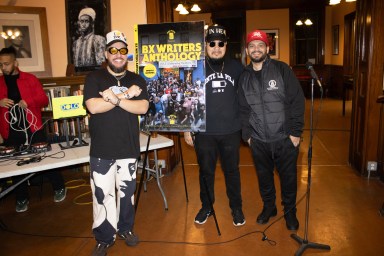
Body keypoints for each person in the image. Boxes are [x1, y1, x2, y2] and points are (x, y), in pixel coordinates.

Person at [83, 30, 149, 256]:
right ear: (106, 53)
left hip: (128, 149)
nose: (118, 54)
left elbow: (143, 108)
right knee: (102, 195)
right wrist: (126, 96)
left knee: (126, 194)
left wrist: (113, 98)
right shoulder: (94, 78)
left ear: (127, 54)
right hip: (101, 150)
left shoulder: (137, 79)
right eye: (113, 50)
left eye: (122, 50)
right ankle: (104, 236)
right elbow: (93, 107)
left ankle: (125, 229)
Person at [238, 30, 305, 231]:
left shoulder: (282, 69)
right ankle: (269, 207)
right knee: (264, 178)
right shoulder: (244, 77)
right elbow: (242, 110)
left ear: (268, 48)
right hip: (258, 140)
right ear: (247, 50)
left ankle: (290, 211)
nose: (256, 49)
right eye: (252, 46)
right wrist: (247, 136)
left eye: (260, 45)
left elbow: (297, 101)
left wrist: (295, 133)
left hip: (284, 138)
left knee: (289, 179)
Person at [184, 25, 245, 226]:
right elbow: (188, 97)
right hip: (204, 131)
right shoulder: (196, 67)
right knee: (205, 172)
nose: (216, 47)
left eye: (220, 43)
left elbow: (246, 97)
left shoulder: (237, 68)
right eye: (212, 43)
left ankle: (236, 208)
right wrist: (187, 128)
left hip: (231, 131)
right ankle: (207, 207)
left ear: (226, 45)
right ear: (205, 45)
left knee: (232, 172)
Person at [0, 46, 67, 213]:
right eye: (1, 64)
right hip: (10, 131)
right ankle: (21, 198)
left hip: (33, 127)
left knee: (46, 159)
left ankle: (59, 187)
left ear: (15, 63)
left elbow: (44, 99)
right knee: (16, 165)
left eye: (6, 64)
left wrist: (28, 101)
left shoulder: (30, 79)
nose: (3, 67)